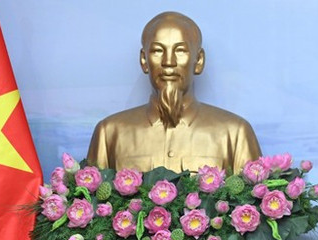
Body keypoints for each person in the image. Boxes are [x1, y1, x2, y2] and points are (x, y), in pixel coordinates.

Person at [86, 11, 261, 173]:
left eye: (180, 51)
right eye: (157, 51)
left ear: (199, 60)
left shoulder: (235, 134)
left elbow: (254, 194)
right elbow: (91, 194)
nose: (168, 62)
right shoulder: (109, 133)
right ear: (144, 60)